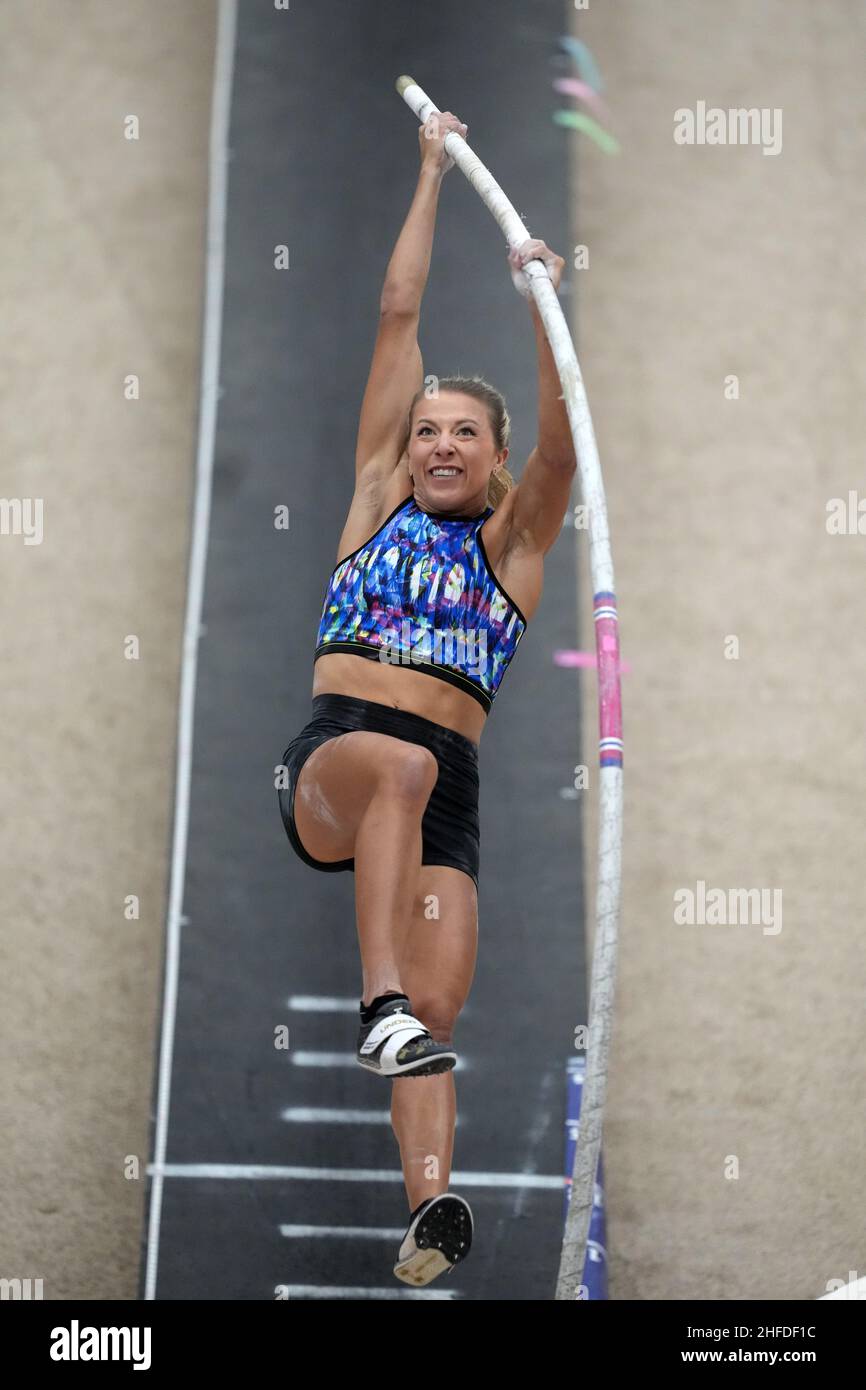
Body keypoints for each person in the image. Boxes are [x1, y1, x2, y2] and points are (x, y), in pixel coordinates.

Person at [276, 109, 576, 1286]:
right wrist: (429, 174)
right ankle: (372, 1002)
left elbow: (560, 448)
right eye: (427, 431)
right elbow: (397, 313)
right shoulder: (371, 499)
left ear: (488, 454)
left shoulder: (513, 549)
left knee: (440, 1011)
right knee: (398, 766)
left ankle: (429, 1213)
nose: (439, 443)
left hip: (444, 792)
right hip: (337, 762)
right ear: (404, 453)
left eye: (463, 433)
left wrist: (543, 310)